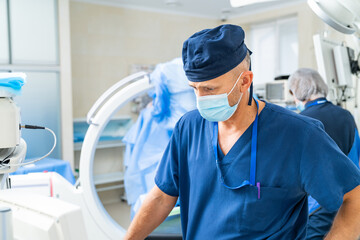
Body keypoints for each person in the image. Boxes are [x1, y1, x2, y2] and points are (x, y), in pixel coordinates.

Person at [124, 24, 360, 240]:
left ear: (245, 81)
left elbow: (354, 199)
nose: (200, 99)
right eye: (194, 89)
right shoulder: (189, 128)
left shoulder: (299, 135)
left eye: (209, 89)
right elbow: (161, 196)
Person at [288, 68, 360, 239]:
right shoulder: (346, 116)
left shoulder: (302, 121)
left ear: (299, 91)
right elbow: (355, 159)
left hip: (315, 207)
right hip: (345, 204)